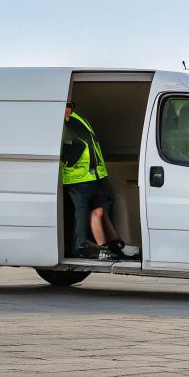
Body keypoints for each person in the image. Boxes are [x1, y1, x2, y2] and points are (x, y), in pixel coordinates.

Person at [61, 103, 123, 261]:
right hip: (76, 177)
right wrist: (69, 162)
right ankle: (82, 245)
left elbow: (91, 146)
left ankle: (105, 248)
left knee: (99, 210)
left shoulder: (77, 119)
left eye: (70, 105)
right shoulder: (60, 122)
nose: (69, 108)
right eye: (67, 105)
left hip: (92, 175)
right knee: (82, 210)